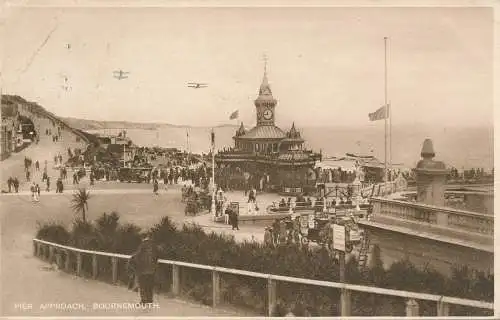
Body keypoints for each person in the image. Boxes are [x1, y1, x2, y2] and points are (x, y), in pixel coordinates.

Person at [129, 235, 159, 305]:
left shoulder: (142, 245)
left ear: (143, 238)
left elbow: (137, 255)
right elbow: (157, 256)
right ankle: (150, 300)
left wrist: (133, 259)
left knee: (143, 285)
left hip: (142, 270)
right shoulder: (154, 246)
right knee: (149, 286)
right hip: (152, 270)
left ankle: (144, 301)